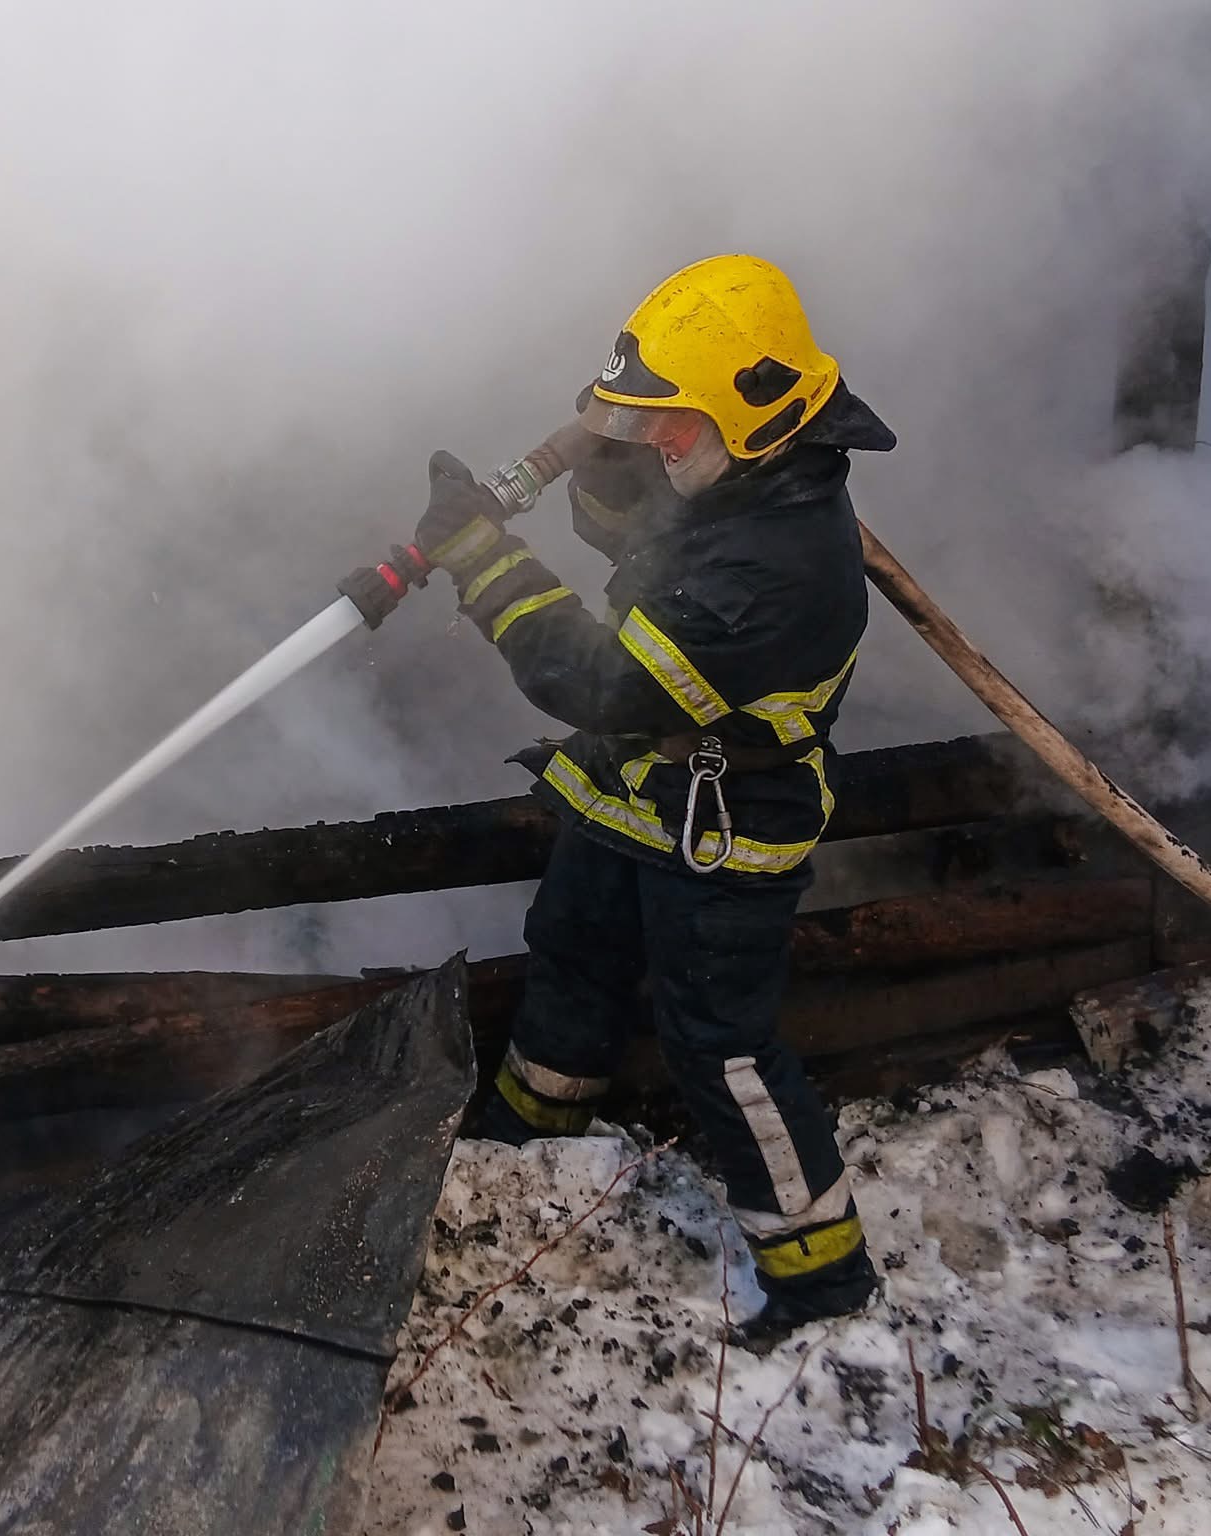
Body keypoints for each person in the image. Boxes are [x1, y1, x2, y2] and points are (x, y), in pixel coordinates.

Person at [414, 254, 896, 1342]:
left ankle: (820, 1278)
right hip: (633, 794)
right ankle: (529, 1149)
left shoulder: (776, 568)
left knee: (719, 1046)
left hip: (728, 832)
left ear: (747, 411)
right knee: (572, 955)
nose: (659, 442)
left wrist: (481, 557)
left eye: (673, 424)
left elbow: (598, 683)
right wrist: (608, 455)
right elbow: (635, 537)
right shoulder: (739, 476)